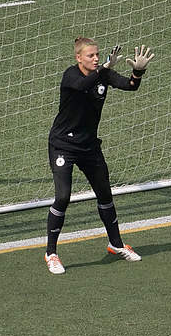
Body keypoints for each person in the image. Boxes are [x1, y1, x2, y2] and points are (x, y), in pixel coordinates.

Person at [43, 38, 153, 275]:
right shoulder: (70, 76)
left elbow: (130, 85)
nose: (95, 58)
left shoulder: (102, 74)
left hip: (89, 147)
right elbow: (83, 86)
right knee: (62, 197)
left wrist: (138, 71)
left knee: (105, 194)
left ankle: (116, 244)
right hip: (63, 146)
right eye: (90, 55)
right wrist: (104, 68)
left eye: (97, 55)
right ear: (78, 58)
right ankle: (51, 253)